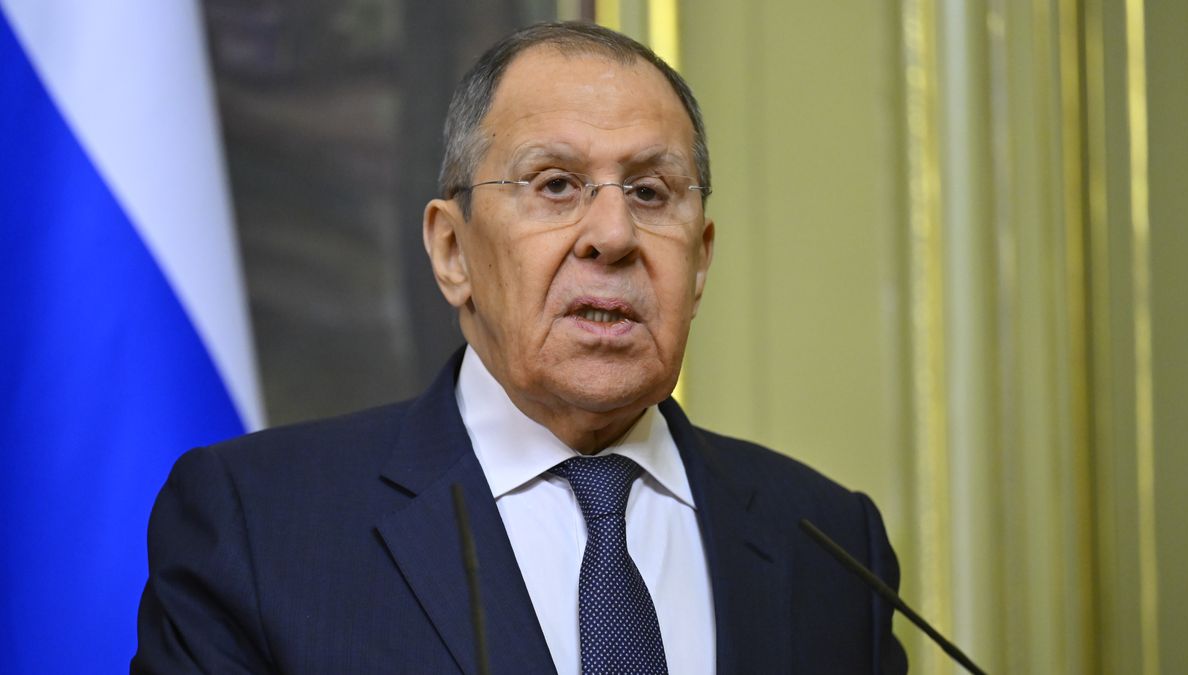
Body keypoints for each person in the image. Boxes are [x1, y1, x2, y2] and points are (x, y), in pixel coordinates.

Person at [133, 21, 907, 674]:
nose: (613, 235)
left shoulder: (828, 544)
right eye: (556, 184)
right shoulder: (260, 525)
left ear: (699, 261)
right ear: (452, 251)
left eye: (649, 192)